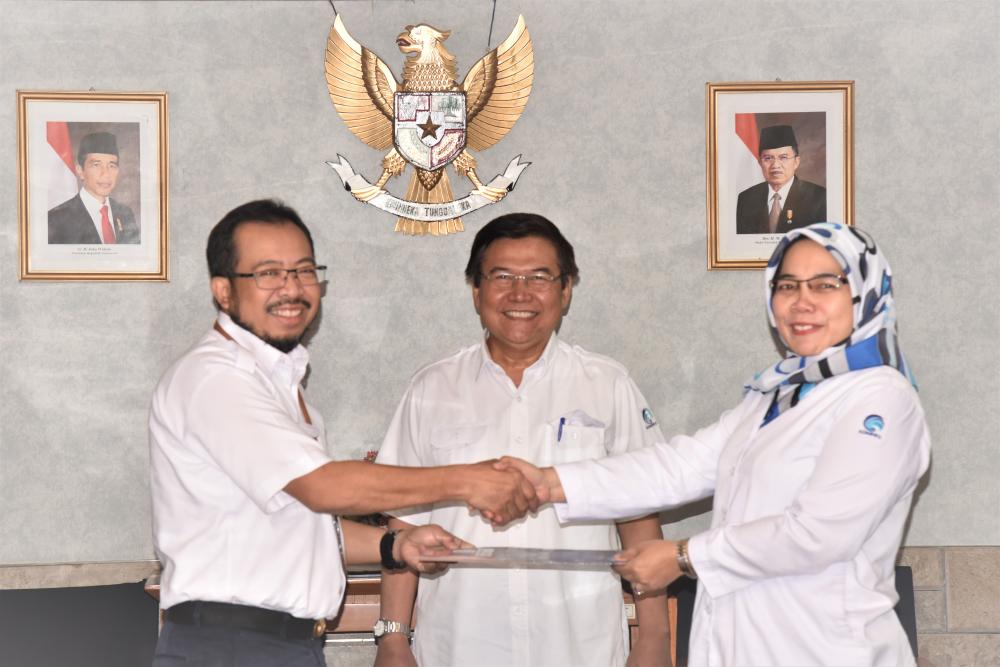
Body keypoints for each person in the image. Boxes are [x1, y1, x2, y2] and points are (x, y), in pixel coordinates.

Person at [503, 222, 930, 666]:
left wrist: (684, 556)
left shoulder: (882, 398)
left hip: (824, 650)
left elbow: (818, 535)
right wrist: (547, 484)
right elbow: (678, 467)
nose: (801, 301)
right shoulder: (776, 395)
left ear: (864, 292)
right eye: (787, 285)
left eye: (825, 284)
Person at [149, 199, 537, 666]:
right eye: (268, 273)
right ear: (224, 291)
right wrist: (468, 480)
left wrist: (394, 545)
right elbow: (325, 488)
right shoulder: (216, 379)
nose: (291, 288)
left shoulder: (281, 386)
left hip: (283, 646)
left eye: (303, 271)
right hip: (231, 646)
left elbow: (299, 525)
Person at [374, 213, 671, 667]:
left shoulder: (607, 385)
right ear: (476, 291)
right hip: (460, 646)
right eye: (502, 277)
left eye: (539, 277)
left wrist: (654, 638)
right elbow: (403, 521)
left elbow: (640, 514)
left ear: (566, 290)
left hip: (580, 646)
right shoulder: (431, 389)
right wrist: (393, 639)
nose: (520, 293)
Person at [47, 131, 140, 244]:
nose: (106, 174)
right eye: (96, 165)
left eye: (112, 166)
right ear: (80, 171)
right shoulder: (56, 220)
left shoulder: (125, 214)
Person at [736, 125, 826, 235]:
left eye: (783, 157)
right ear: (760, 163)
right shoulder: (746, 199)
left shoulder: (819, 198)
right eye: (768, 158)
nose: (775, 165)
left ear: (796, 162)